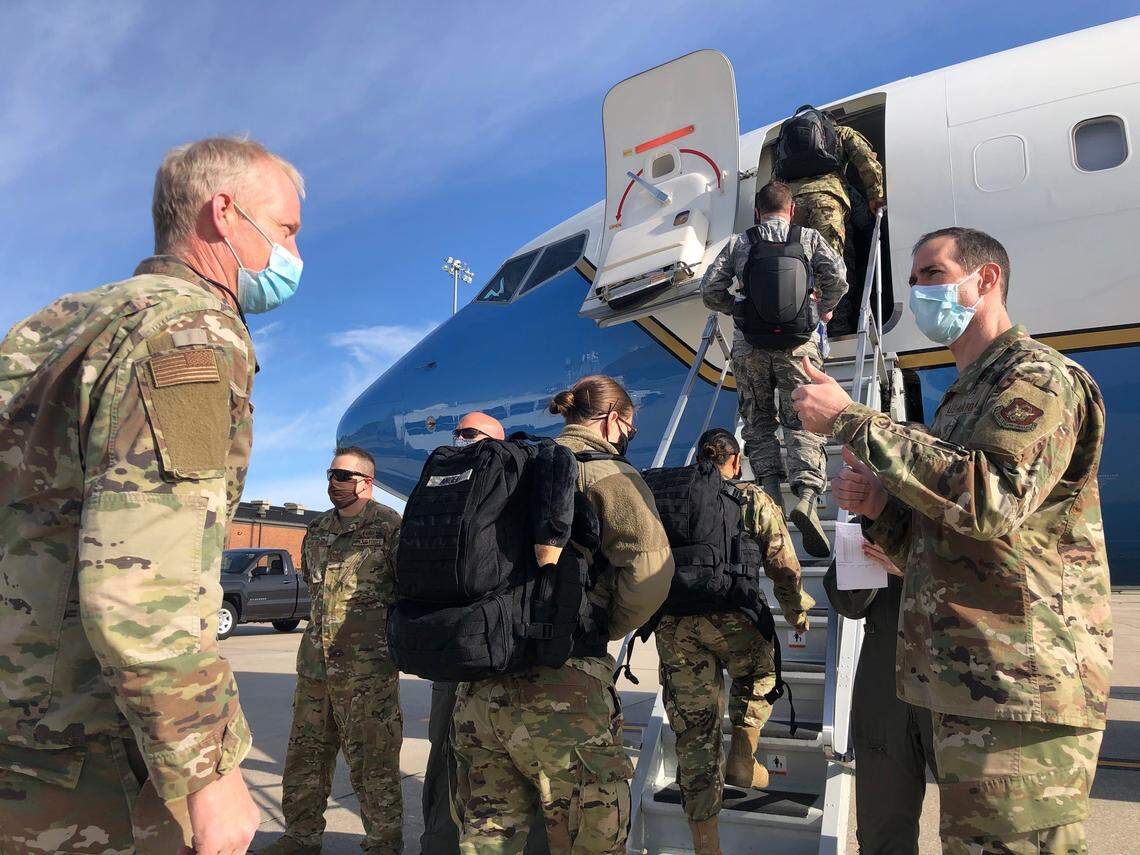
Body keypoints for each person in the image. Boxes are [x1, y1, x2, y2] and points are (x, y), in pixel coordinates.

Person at [0, 136, 302, 854]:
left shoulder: (60, 326)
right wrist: (209, 770)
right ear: (224, 212)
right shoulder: (188, 332)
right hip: (88, 761)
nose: (293, 252)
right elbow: (143, 582)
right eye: (286, 229)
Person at [793, 227, 1112, 854]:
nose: (917, 291)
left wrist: (853, 421)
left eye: (932, 274)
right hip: (972, 684)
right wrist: (883, 509)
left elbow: (991, 498)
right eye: (912, 280)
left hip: (1021, 683)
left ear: (985, 279)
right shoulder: (964, 398)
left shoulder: (1037, 376)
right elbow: (956, 542)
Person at [452, 374, 674, 853]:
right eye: (629, 427)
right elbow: (651, 571)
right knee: (588, 839)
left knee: (486, 838)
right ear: (613, 420)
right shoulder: (607, 474)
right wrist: (599, 627)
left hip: (481, 687)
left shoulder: (512, 465)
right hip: (563, 687)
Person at [653, 428, 814, 854]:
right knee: (759, 672)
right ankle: (743, 748)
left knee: (694, 733)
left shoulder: (669, 497)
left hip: (675, 625)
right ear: (736, 461)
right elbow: (783, 563)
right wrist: (796, 610)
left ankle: (705, 843)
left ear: (699, 459)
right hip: (734, 617)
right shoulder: (751, 497)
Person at [259, 447, 404, 854]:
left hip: (367, 671)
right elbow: (315, 589)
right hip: (316, 667)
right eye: (331, 474)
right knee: (305, 756)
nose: (333, 483)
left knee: (373, 761)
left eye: (343, 476)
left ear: (366, 482)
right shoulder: (318, 528)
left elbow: (406, 591)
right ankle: (300, 837)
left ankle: (384, 844)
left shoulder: (389, 526)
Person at [422, 410, 549, 855]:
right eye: (457, 433)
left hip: (504, 655)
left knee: (521, 769)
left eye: (470, 433)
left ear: (499, 441)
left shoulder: (520, 484)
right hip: (454, 658)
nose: (460, 440)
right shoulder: (440, 493)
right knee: (447, 764)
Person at [701, 179, 848, 558]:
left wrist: (738, 309)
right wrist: (820, 309)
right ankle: (807, 497)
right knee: (803, 418)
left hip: (750, 345)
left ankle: (770, 495)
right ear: (792, 210)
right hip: (798, 345)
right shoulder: (809, 238)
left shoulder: (739, 243)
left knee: (758, 420)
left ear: (757, 212)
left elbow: (710, 290)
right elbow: (838, 280)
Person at [823, 502, 936, 855]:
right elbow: (846, 604)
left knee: (980, 825)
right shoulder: (874, 518)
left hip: (957, 680)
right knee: (882, 828)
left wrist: (911, 568)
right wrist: (866, 549)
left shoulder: (962, 511)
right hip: (885, 680)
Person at [768, 105, 885, 334]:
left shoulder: (788, 144)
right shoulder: (842, 133)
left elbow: (776, 181)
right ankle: (835, 328)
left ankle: (803, 328)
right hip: (827, 203)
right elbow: (867, 161)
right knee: (833, 266)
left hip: (793, 208)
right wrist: (876, 196)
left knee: (799, 267)